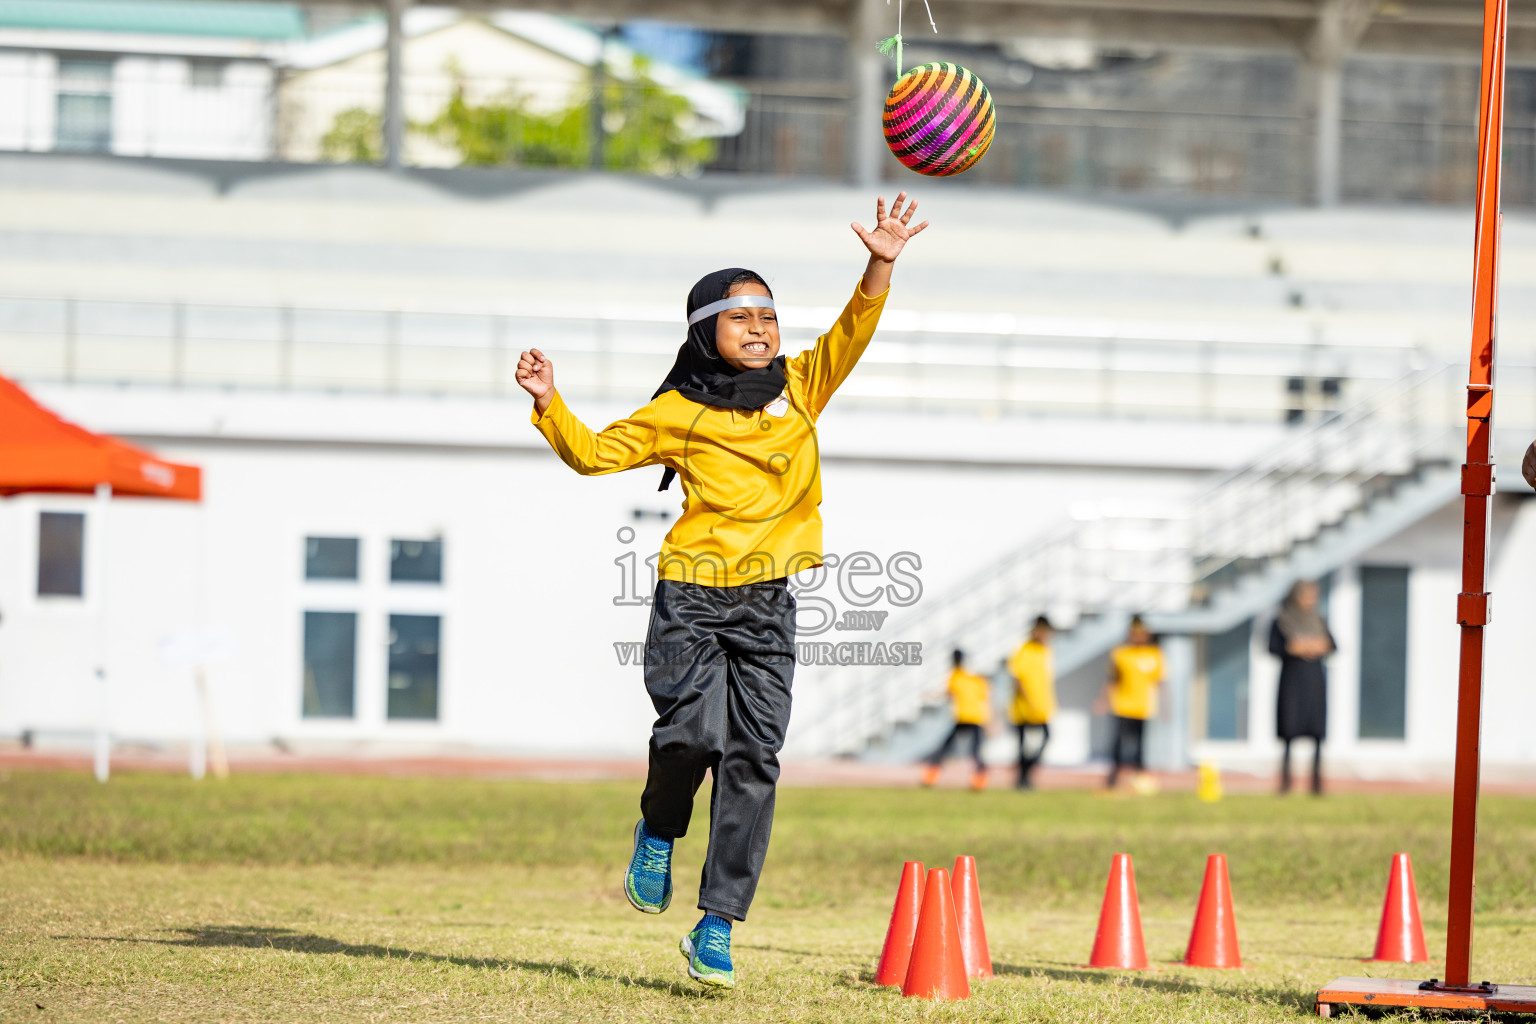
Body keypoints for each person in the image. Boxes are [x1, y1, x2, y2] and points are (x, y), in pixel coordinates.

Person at [516, 193, 927, 990]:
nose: (761, 328)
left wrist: (880, 260)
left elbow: (855, 329)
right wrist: (548, 404)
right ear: (706, 331)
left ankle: (716, 924)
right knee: (693, 739)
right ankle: (659, 825)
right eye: (741, 317)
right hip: (692, 597)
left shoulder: (802, 387)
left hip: (768, 604)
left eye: (768, 314)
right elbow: (597, 455)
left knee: (755, 759)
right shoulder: (677, 410)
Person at [1270, 579, 1335, 795]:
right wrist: (1294, 648)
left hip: (1314, 681)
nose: (1310, 600)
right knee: (1289, 729)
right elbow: (1275, 647)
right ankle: (1286, 784)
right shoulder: (1282, 620)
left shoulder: (1318, 620)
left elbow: (1332, 644)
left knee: (1315, 732)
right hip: (1292, 681)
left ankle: (1316, 785)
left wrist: (1312, 645)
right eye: (1306, 595)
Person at [1097, 616, 1164, 793]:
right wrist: (1104, 700)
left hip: (1143, 708)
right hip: (1122, 706)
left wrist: (1165, 707)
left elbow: (1159, 682)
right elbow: (1112, 680)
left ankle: (1139, 779)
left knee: (1140, 746)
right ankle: (1113, 779)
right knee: (1118, 744)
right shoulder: (1120, 653)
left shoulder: (1154, 654)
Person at [921, 649, 992, 791]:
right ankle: (980, 780)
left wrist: (931, 696)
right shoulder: (976, 679)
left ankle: (931, 776)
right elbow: (985, 699)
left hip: (964, 718)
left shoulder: (955, 676)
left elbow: (948, 694)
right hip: (976, 718)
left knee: (946, 748)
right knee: (975, 752)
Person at [1006, 615, 1056, 789]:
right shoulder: (1023, 650)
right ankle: (1022, 778)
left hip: (1042, 706)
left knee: (1046, 738)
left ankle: (1025, 771)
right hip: (1024, 707)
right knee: (1023, 744)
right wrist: (1028, 700)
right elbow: (1018, 679)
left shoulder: (1045, 651)